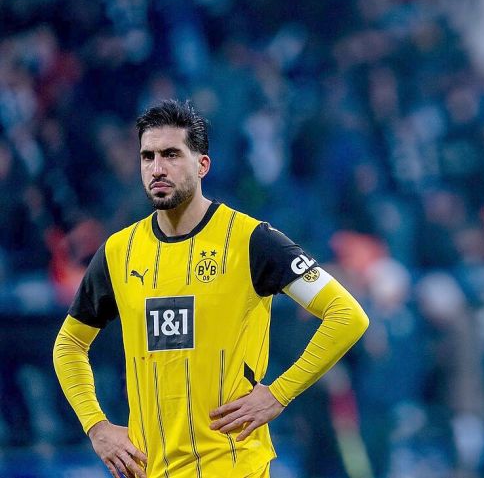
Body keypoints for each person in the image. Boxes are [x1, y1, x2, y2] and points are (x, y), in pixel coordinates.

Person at [52, 100, 370, 478]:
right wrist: (97, 426)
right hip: (149, 469)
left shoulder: (253, 241)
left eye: (171, 154)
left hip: (233, 467)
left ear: (202, 164)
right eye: (147, 156)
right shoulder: (119, 252)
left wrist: (279, 393)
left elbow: (347, 315)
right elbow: (69, 344)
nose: (157, 168)